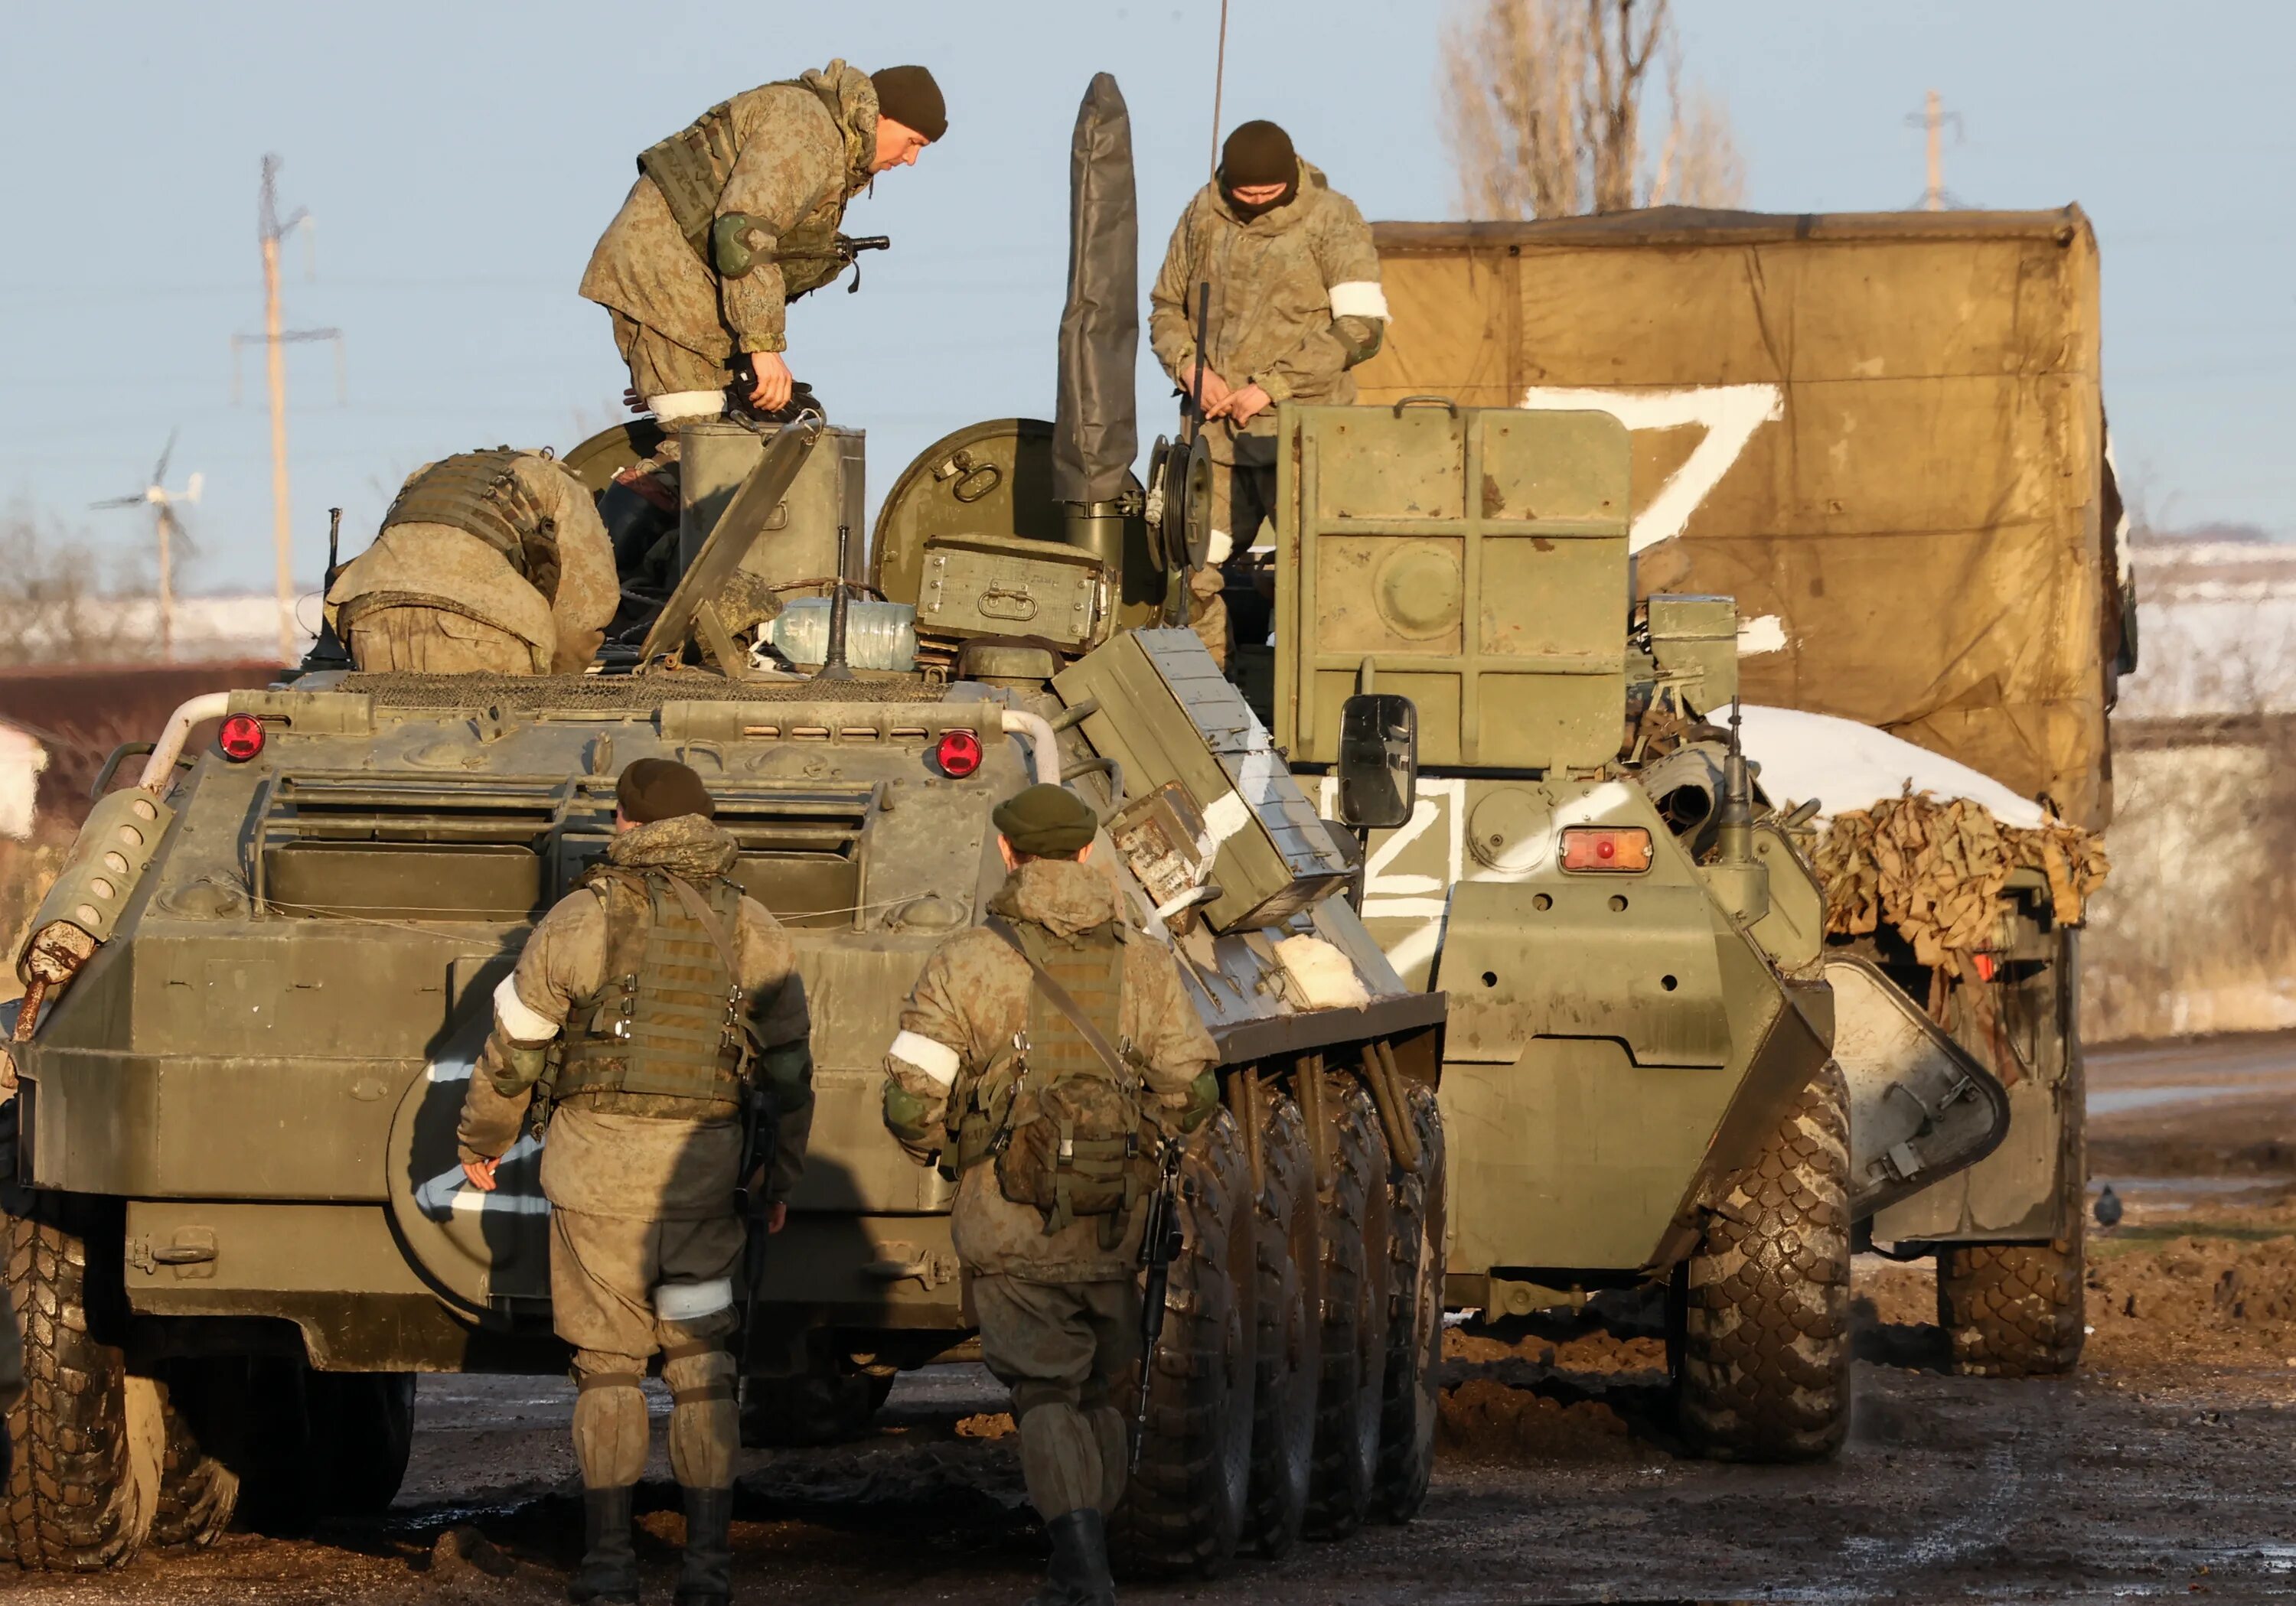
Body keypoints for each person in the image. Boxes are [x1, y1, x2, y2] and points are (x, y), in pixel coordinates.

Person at [456, 758, 813, 1606]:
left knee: (610, 1365)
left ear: (623, 824)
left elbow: (516, 1051)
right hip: (702, 1178)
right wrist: (778, 1173)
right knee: (700, 1363)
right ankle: (708, 1569)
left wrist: (482, 1139)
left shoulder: (580, 916)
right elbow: (792, 1069)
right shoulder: (753, 925)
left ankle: (610, 1564)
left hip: (596, 1177)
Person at [878, 783, 1218, 1606]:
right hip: (1116, 1221)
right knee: (1102, 1386)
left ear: (1008, 853)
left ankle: (1078, 1562)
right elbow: (1193, 1089)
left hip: (1011, 1223)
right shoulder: (1144, 958)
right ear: (1089, 853)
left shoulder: (970, 959)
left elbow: (909, 1101)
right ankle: (1091, 1540)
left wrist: (956, 1154)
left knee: (1044, 1394)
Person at [581, 60, 947, 432]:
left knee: (747, 441)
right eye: (912, 142)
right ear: (880, 117)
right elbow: (743, 234)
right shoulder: (806, 131)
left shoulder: (828, 139)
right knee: (701, 453)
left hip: (691, 290)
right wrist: (763, 348)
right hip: (667, 282)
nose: (911, 159)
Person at [1148, 119, 1388, 667]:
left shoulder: (1334, 220)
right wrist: (1189, 368)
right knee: (1188, 573)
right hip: (1217, 441)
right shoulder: (1202, 214)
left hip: (1306, 436)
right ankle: (1206, 693)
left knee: (1323, 580)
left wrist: (1273, 387)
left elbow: (1362, 328)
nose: (1254, 200)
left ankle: (1318, 713)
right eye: (1244, 191)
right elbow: (1165, 309)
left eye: (1268, 192)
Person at [323, 448, 618, 675]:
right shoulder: (559, 484)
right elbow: (582, 612)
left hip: (368, 621)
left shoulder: (430, 474)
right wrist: (560, 682)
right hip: (482, 630)